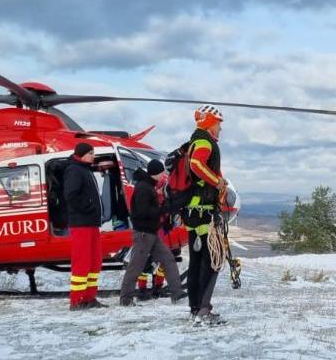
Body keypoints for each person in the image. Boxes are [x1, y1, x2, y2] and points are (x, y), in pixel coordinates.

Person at [183, 105, 228, 325]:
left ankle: (196, 308)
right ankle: (203, 309)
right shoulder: (203, 141)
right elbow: (197, 164)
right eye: (219, 124)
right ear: (210, 122)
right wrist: (216, 181)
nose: (220, 128)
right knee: (212, 261)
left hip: (195, 212)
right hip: (203, 212)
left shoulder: (197, 140)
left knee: (198, 262)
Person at [121, 159, 187, 307]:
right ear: (156, 173)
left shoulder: (147, 186)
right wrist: (162, 208)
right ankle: (126, 299)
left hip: (151, 233)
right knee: (136, 266)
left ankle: (177, 293)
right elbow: (142, 212)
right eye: (162, 171)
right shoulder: (144, 188)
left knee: (168, 259)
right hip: (144, 234)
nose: (163, 174)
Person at [63, 143, 107, 310]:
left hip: (91, 223)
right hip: (81, 223)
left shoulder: (85, 169)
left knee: (94, 261)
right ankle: (77, 300)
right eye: (90, 153)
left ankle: (89, 297)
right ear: (81, 154)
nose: (93, 156)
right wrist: (89, 207)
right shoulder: (74, 170)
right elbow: (71, 195)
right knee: (82, 261)